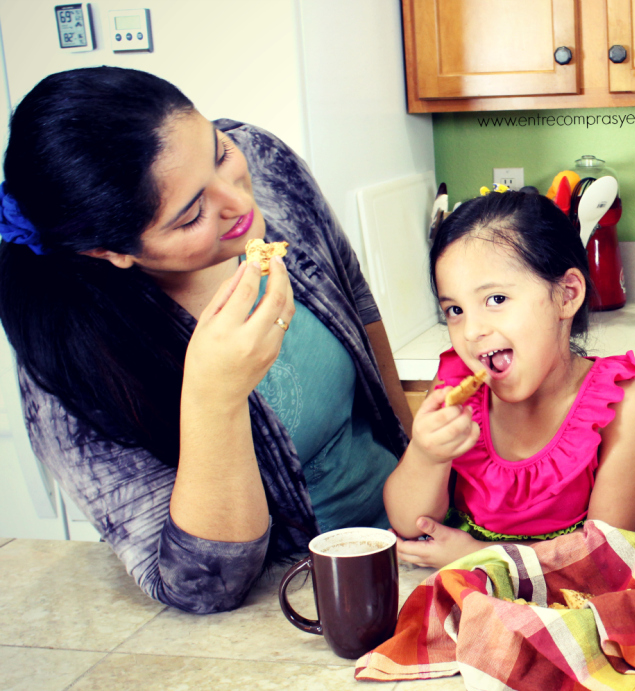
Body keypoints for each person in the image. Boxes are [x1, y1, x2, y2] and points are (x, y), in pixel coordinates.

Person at [0, 67, 413, 613]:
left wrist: (418, 454)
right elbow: (199, 586)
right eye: (192, 214)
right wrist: (215, 395)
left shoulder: (262, 160)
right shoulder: (73, 355)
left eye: (219, 154)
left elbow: (356, 299)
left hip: (413, 537)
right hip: (297, 605)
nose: (239, 202)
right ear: (111, 252)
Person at [384, 190, 635, 568]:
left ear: (567, 295)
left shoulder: (623, 406)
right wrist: (425, 455)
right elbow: (408, 524)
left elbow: (604, 560)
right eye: (455, 310)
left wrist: (485, 557)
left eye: (496, 299)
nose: (471, 331)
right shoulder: (456, 387)